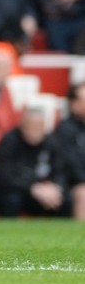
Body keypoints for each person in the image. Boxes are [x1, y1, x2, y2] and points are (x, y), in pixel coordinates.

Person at [0, 108, 70, 218]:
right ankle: (7, 232)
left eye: (38, 127)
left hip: (41, 191)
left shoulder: (51, 143)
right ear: (22, 125)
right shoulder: (10, 141)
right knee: (13, 199)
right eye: (30, 127)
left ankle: (57, 233)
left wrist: (56, 187)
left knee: (64, 199)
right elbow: (3, 174)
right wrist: (32, 187)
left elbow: (60, 170)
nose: (34, 132)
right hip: (6, 190)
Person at [53, 83, 85, 220]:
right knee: (83, 193)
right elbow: (70, 164)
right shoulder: (65, 130)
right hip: (70, 183)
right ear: (73, 104)